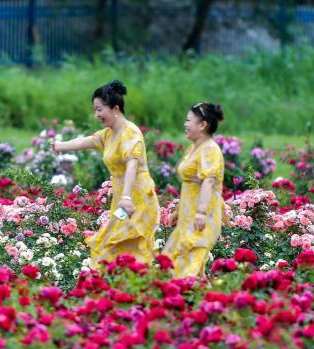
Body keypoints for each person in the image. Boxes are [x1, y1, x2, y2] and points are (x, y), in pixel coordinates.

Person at [52, 80, 160, 269]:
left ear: (115, 108)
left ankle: (145, 289)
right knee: (106, 244)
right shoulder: (109, 134)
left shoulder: (130, 134)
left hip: (137, 201)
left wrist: (126, 198)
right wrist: (60, 146)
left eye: (99, 109)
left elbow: (131, 167)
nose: (97, 115)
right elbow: (85, 141)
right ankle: (117, 291)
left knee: (131, 249)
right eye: (95, 110)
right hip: (122, 200)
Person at [163, 102, 225, 278]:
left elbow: (208, 181)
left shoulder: (210, 149)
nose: (185, 124)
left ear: (202, 125)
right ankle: (205, 302)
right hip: (188, 216)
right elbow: (191, 185)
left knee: (187, 270)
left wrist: (201, 212)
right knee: (182, 267)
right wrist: (177, 210)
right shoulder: (195, 147)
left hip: (201, 218)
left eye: (188, 120)